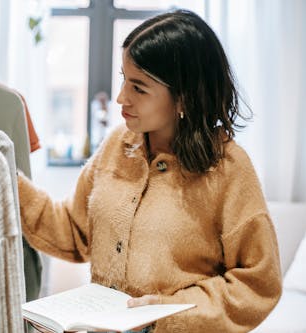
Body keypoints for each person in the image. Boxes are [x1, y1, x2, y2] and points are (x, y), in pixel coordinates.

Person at [18, 9, 282, 333]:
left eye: (138, 88)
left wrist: (168, 314)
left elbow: (258, 284)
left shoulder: (229, 169)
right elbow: (72, 232)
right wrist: (4, 178)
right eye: (123, 80)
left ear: (184, 96)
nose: (120, 98)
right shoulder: (117, 144)